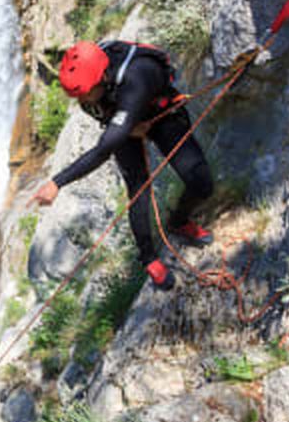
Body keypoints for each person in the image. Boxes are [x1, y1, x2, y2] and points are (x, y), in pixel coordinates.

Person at [29, 40, 215, 290]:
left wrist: (56, 183)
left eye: (85, 94)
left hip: (160, 114)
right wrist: (125, 127)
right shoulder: (92, 83)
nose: (82, 99)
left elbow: (103, 150)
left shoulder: (137, 76)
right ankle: (148, 258)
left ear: (103, 77)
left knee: (201, 183)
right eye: (78, 96)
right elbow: (105, 116)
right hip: (123, 122)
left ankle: (178, 221)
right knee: (138, 190)